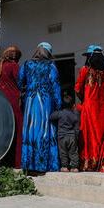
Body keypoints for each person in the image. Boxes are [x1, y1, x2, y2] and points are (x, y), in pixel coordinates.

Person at [18, 42, 62, 173]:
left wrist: (27, 89)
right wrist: (59, 104)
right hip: (45, 102)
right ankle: (43, 165)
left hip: (31, 101)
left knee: (31, 129)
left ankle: (29, 164)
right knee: (45, 129)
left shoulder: (27, 64)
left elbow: (19, 81)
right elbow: (55, 86)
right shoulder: (51, 66)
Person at [75, 45, 104, 173]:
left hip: (91, 109)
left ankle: (90, 165)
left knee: (90, 136)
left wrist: (85, 99)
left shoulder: (85, 70)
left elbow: (78, 89)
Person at [0, 45, 23, 168]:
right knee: (17, 130)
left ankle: (4, 162)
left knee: (4, 132)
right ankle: (17, 162)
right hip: (13, 102)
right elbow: (21, 82)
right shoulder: (14, 66)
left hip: (1, 102)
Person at [50, 94, 80, 172]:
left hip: (62, 136)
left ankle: (65, 166)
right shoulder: (75, 115)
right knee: (73, 152)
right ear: (73, 105)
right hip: (72, 136)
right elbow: (77, 128)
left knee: (63, 152)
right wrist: (76, 137)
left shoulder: (60, 113)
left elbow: (51, 116)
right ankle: (74, 167)